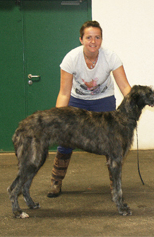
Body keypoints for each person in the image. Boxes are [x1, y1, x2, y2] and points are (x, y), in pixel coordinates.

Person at [47, 20, 131, 198]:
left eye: (97, 37)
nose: (93, 41)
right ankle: (56, 181)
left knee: (113, 145)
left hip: (103, 102)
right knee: (66, 142)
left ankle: (114, 186)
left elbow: (125, 87)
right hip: (78, 102)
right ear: (81, 39)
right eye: (89, 37)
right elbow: (64, 93)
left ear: (101, 39)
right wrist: (57, 119)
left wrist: (134, 107)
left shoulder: (111, 58)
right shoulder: (71, 59)